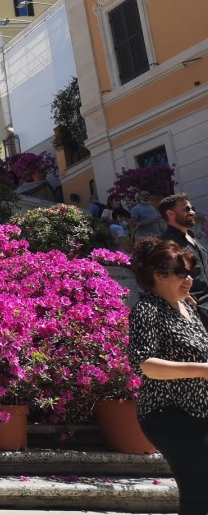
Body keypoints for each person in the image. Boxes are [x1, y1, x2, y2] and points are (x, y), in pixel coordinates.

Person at [128, 238, 208, 515]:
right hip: (168, 413)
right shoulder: (147, 309)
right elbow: (143, 363)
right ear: (159, 276)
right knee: (198, 490)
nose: (189, 280)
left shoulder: (187, 308)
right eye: (181, 273)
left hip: (198, 411)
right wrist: (203, 370)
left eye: (190, 273)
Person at [160, 193, 208, 321]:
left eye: (192, 209)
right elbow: (164, 277)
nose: (192, 212)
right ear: (171, 214)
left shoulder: (191, 237)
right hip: (198, 308)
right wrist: (184, 298)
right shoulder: (167, 243)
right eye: (187, 209)